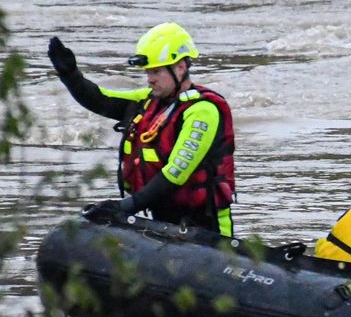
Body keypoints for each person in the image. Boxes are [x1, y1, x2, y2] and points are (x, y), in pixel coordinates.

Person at [47, 23, 237, 236]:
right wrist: (70, 76)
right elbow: (101, 100)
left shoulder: (203, 111)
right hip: (165, 221)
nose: (150, 78)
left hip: (207, 227)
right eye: (148, 71)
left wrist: (125, 206)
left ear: (181, 68)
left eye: (156, 71)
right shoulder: (148, 101)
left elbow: (176, 173)